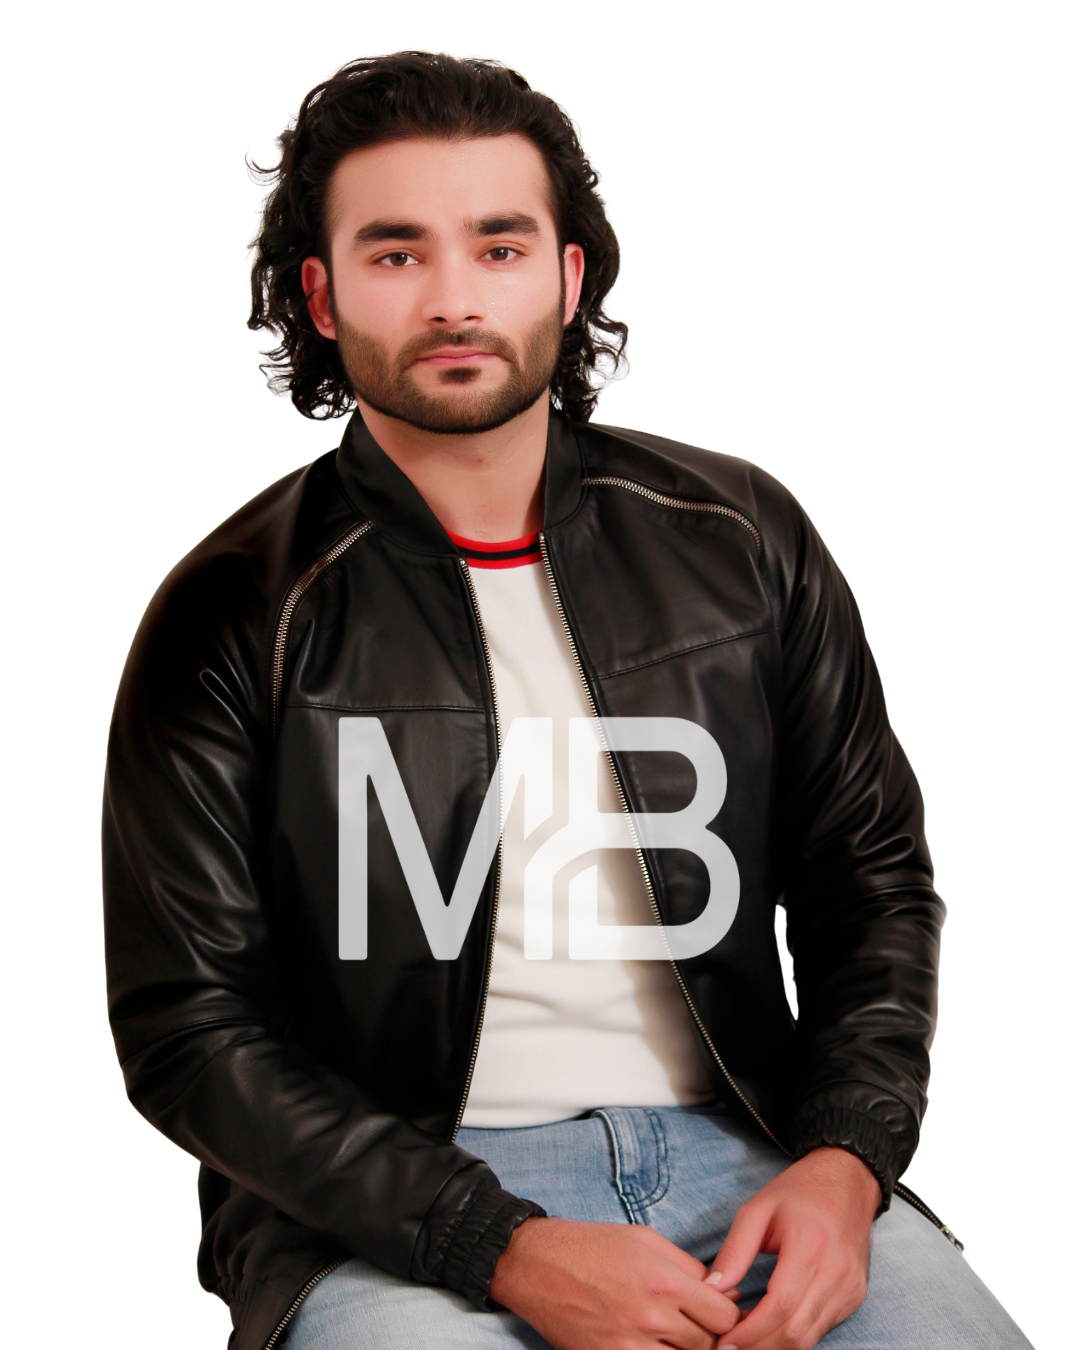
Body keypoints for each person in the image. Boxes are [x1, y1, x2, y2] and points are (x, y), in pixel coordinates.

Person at [102, 52, 1030, 1350]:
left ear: (568, 275)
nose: (453, 298)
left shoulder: (742, 541)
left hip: (754, 1151)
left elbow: (869, 880)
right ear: (320, 293)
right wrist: (496, 1240)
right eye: (395, 253)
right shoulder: (233, 612)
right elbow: (188, 1028)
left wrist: (845, 1161)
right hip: (387, 1198)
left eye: (499, 246)